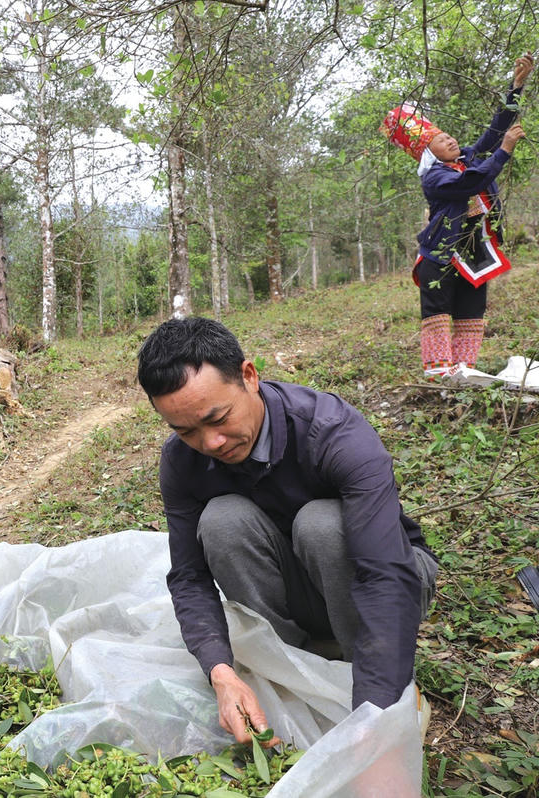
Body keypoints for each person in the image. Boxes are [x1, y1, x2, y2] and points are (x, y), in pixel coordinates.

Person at [136, 317, 437, 745]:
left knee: (322, 525)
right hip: (304, 587)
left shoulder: (333, 432)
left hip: (389, 576)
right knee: (221, 521)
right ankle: (301, 666)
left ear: (249, 376)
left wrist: (378, 721)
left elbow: (385, 573)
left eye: (218, 418)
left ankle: (365, 672)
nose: (211, 443)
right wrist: (221, 673)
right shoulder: (181, 463)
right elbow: (189, 577)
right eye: (186, 431)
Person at [382, 53, 532, 376]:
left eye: (447, 135)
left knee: (471, 313)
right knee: (437, 315)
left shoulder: (466, 157)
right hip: (442, 257)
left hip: (472, 253)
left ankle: (465, 374)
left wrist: (515, 88)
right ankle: (439, 375)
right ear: (427, 153)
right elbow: (472, 182)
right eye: (440, 139)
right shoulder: (436, 178)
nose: (450, 139)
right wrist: (505, 150)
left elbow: (494, 132)